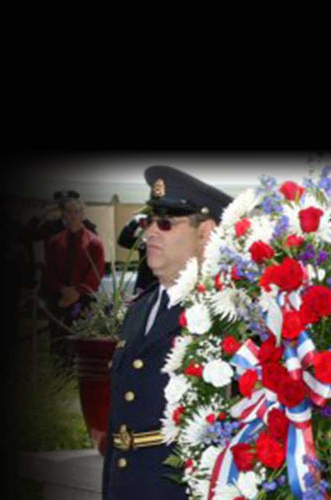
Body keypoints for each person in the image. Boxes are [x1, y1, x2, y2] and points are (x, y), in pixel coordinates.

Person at [101, 168, 233, 500]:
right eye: (149, 221)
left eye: (165, 223)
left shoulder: (224, 316)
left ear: (205, 233)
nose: (149, 234)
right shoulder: (138, 309)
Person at [43, 197, 105, 365]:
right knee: (58, 334)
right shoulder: (54, 242)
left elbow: (97, 271)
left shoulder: (94, 242)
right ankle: (60, 368)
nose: (72, 216)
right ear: (63, 214)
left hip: (83, 297)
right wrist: (62, 289)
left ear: (83, 214)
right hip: (59, 296)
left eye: (76, 212)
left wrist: (77, 291)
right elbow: (49, 269)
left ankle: (82, 368)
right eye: (69, 212)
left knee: (82, 334)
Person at [117, 165, 170, 294]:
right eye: (155, 188)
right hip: (145, 278)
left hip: (167, 277)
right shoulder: (141, 218)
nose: (157, 190)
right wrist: (142, 244)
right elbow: (123, 240)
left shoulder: (173, 219)